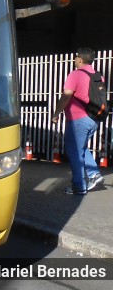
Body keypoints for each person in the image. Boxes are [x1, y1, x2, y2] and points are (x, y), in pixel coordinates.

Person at [51, 47, 105, 195]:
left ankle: (79, 187)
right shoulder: (98, 76)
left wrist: (56, 113)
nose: (75, 59)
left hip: (78, 120)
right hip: (93, 119)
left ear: (80, 59)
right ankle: (94, 175)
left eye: (76, 57)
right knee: (80, 148)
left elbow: (66, 96)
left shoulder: (75, 75)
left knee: (74, 151)